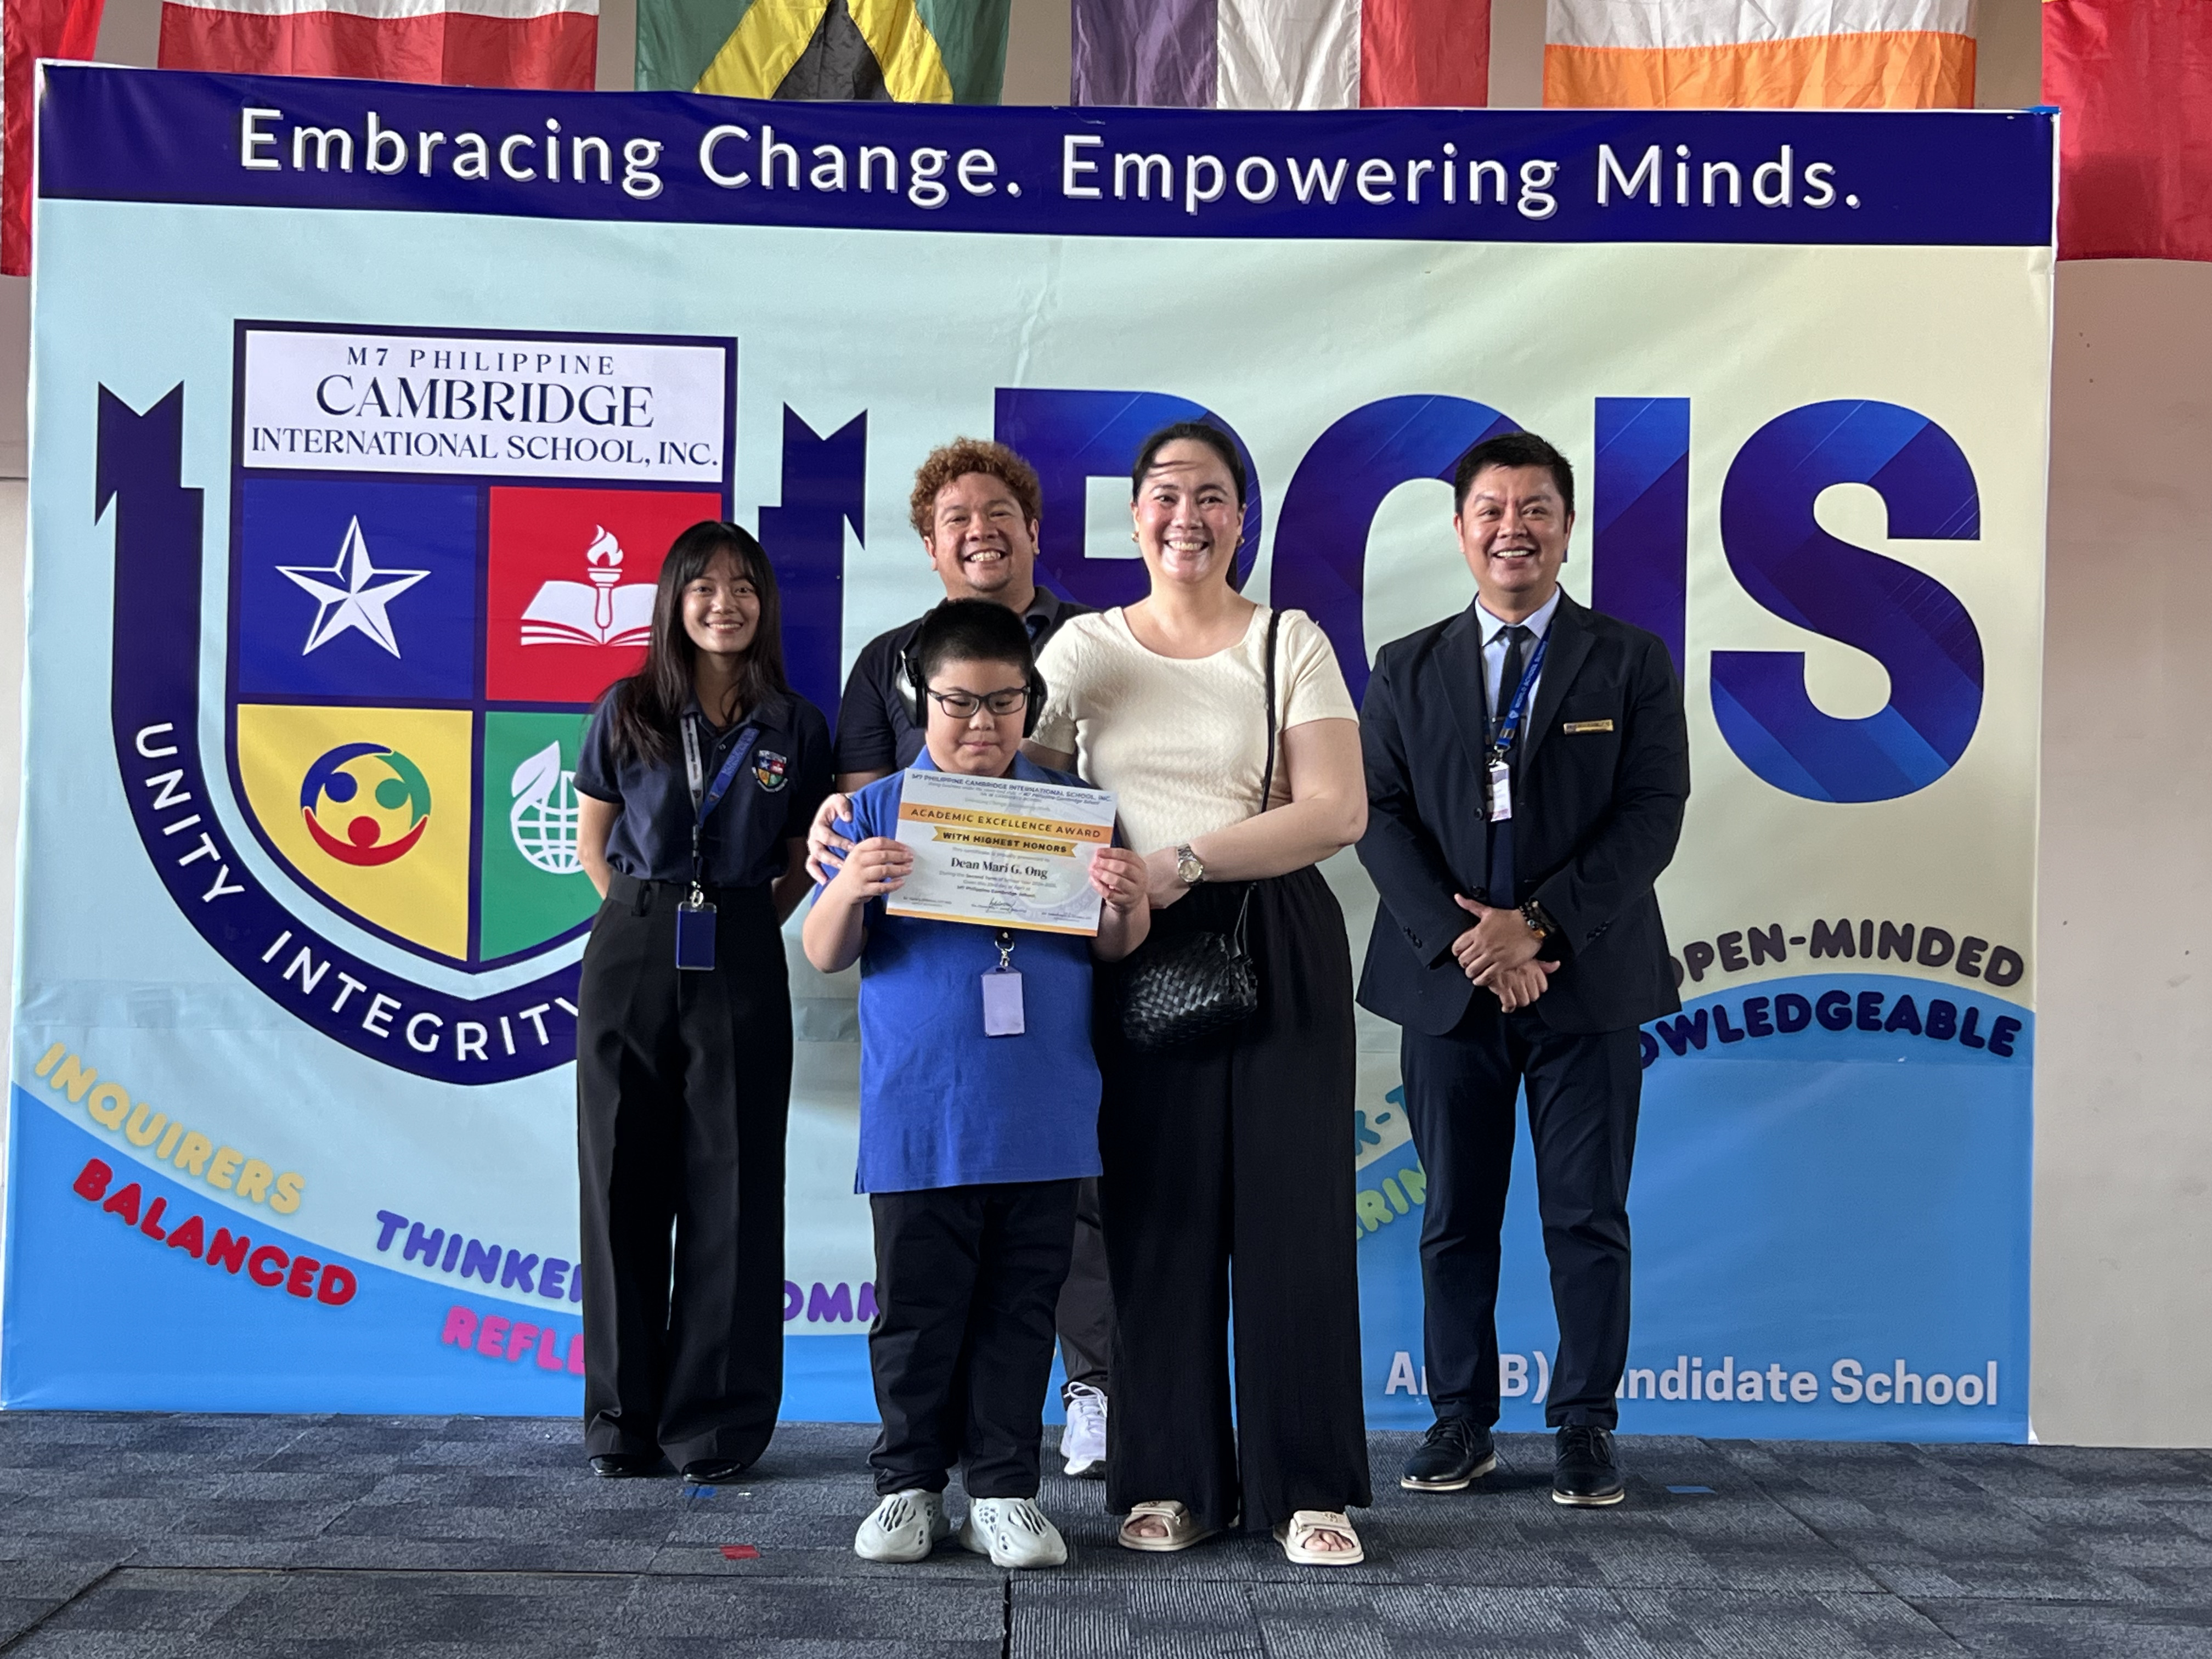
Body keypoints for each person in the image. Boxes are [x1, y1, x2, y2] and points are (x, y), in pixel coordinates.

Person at [1024, 421, 1372, 1567]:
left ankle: (1306, 1487)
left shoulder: (1289, 640)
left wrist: (1187, 860)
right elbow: (983, 750)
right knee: (1154, 1224)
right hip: (1132, 946)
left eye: (1212, 496)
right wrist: (862, 808)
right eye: (1166, 495)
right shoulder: (1083, 648)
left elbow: (1334, 810)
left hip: (1271, 935)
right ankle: (1169, 1477)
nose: (1188, 516)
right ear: (1133, 518)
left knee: (1293, 1220)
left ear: (1242, 519)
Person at [1356, 430, 1690, 1508]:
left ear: (1567, 525)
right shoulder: (1405, 668)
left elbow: (1652, 816)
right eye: (1492, 510)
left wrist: (1536, 929)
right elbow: (1380, 821)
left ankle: (1585, 1426)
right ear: (1460, 531)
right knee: (1454, 1213)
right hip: (1449, 991)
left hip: (1584, 982)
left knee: (1586, 1216)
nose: (1515, 529)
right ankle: (1461, 1423)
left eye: (1536, 508)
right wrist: (1472, 942)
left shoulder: (1630, 660)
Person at [802, 599, 1149, 1568]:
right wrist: (850, 885)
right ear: (923, 699)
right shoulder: (874, 810)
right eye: (960, 703)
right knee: (915, 1312)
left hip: (1041, 1112)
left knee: (1019, 1309)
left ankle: (1002, 1489)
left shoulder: (1070, 804)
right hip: (921, 1115)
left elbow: (1118, 947)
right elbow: (828, 954)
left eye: (1004, 703)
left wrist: (1125, 900)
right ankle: (908, 1484)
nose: (982, 725)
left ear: (1030, 702)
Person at [810, 438, 1115, 1479]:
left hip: (1058, 963)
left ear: (1036, 528)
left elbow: (1113, 809)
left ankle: (1086, 1397)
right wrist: (843, 860)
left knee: (1059, 1229)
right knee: (929, 1276)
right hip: (931, 995)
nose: (979, 530)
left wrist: (1118, 890)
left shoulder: (1101, 640)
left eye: (999, 513)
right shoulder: (886, 664)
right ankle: (912, 1476)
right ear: (930, 545)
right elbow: (851, 817)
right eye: (954, 519)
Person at [572, 521, 831, 1485]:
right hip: (632, 944)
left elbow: (807, 855)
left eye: (744, 588)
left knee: (733, 1187)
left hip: (740, 943)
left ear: (764, 607)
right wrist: (645, 916)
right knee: (618, 1182)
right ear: (674, 603)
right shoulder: (629, 705)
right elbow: (594, 843)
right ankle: (620, 1421)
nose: (725, 604)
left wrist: (735, 917)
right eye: (703, 588)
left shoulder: (795, 725)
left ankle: (714, 1428)